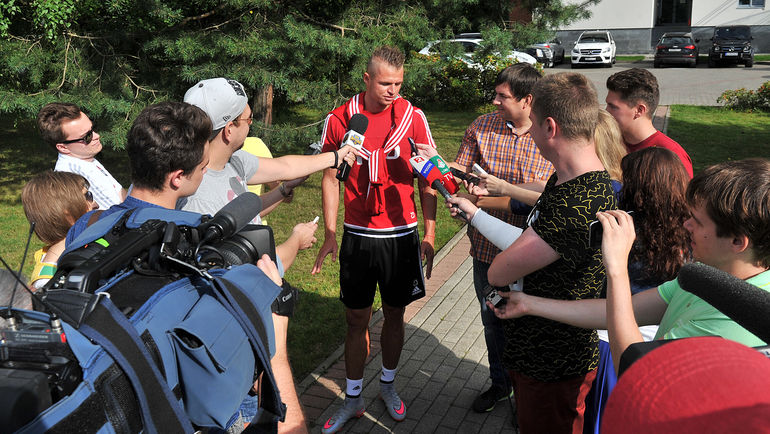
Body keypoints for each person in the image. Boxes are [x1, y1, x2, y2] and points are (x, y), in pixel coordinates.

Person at [64, 102, 307, 433]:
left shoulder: (88, 224)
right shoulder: (208, 242)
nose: (205, 170)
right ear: (178, 177)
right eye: (203, 166)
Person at [489, 158, 770, 376]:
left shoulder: (733, 325)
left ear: (737, 241)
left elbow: (635, 367)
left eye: (697, 221)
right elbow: (625, 311)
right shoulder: (704, 277)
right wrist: (530, 304)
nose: (686, 225)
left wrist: (616, 268)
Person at [462, 71, 616, 434]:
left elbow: (499, 272)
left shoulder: (575, 203)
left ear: (550, 126)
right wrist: (474, 213)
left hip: (552, 363)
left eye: (532, 125)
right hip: (539, 355)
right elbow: (531, 244)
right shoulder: (571, 182)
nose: (527, 133)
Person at [311, 46, 437, 433]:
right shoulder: (341, 119)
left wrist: (430, 233)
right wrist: (331, 232)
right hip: (358, 235)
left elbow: (429, 177)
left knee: (396, 314)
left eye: (399, 83)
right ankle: (353, 399)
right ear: (367, 79)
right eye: (385, 83)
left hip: (401, 235)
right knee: (355, 319)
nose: (393, 90)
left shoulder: (413, 118)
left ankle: (387, 385)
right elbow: (331, 175)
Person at [451, 63, 553, 412]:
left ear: (528, 101)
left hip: (535, 254)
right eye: (495, 94)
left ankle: (528, 396)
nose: (494, 101)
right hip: (486, 252)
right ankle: (500, 385)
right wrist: (462, 194)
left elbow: (550, 195)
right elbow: (462, 174)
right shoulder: (481, 126)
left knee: (530, 325)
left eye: (502, 96)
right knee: (493, 320)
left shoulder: (551, 133)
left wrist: (492, 196)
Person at [180, 77, 358, 273]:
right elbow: (245, 272)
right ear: (229, 129)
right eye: (248, 119)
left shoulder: (234, 160)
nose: (250, 125)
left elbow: (284, 167)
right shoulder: (197, 197)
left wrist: (335, 157)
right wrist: (296, 240)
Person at [604, 68, 693, 178]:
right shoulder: (608, 144)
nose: (606, 112)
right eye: (607, 105)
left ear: (639, 110)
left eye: (613, 107)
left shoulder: (671, 156)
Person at [37, 103, 126, 209]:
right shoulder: (72, 179)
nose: (97, 136)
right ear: (63, 147)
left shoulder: (84, 157)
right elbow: (117, 213)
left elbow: (119, 194)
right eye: (87, 136)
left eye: (92, 129)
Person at [21, 171, 98, 288]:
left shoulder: (82, 247)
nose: (95, 204)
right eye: (88, 197)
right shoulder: (49, 282)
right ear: (68, 215)